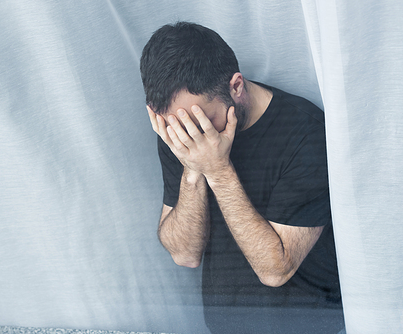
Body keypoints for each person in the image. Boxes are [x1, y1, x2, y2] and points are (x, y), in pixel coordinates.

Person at [140, 22, 343, 333]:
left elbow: (276, 270)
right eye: (177, 127)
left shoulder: (307, 134)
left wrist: (218, 170)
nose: (190, 136)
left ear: (236, 87)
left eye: (202, 122)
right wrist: (194, 168)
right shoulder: (179, 129)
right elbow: (185, 254)